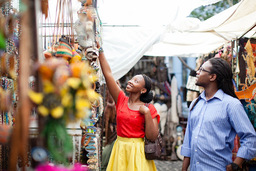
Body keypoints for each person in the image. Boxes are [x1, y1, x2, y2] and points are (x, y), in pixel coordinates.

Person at [181, 57, 256, 171]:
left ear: (212, 76)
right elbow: (189, 139)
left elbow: (250, 138)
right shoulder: (195, 104)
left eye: (202, 70)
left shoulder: (231, 105)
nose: (197, 72)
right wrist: (184, 168)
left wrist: (236, 164)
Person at [98, 45, 160, 171]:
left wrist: (147, 114)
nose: (131, 81)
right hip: (120, 148)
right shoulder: (121, 99)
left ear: (143, 90)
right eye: (132, 79)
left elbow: (152, 136)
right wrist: (100, 51)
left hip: (138, 152)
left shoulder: (149, 108)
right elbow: (108, 74)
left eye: (136, 81)